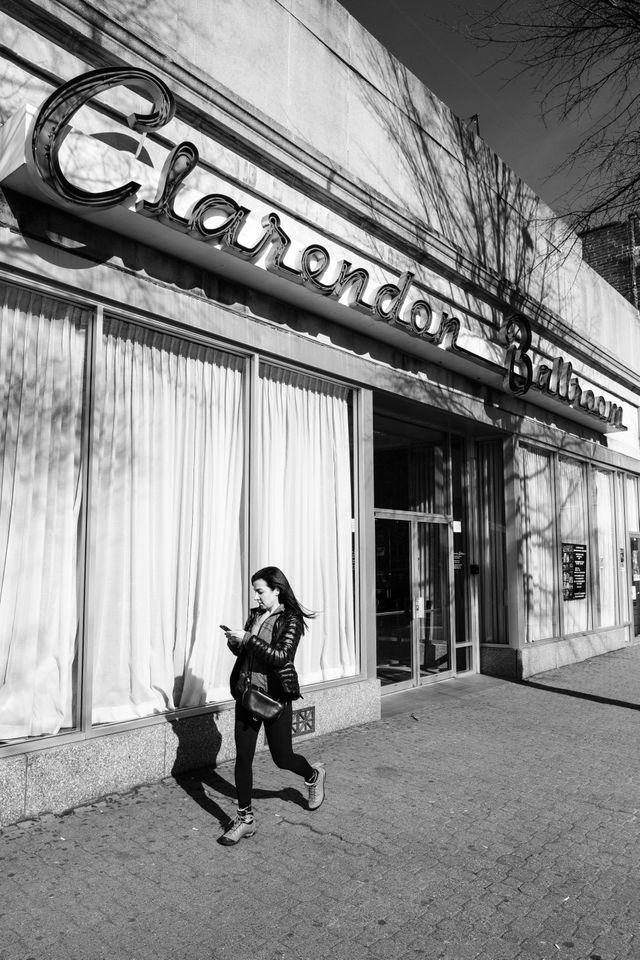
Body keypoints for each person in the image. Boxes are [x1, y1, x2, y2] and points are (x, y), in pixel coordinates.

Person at [219, 566, 326, 845]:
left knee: (283, 758)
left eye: (260, 591)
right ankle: (245, 820)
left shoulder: (291, 619)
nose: (256, 597)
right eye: (255, 592)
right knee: (243, 758)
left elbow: (280, 656)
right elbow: (247, 652)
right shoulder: (255, 615)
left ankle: (313, 776)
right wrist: (236, 642)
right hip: (247, 694)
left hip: (273, 698)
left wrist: (249, 640)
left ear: (276, 589)